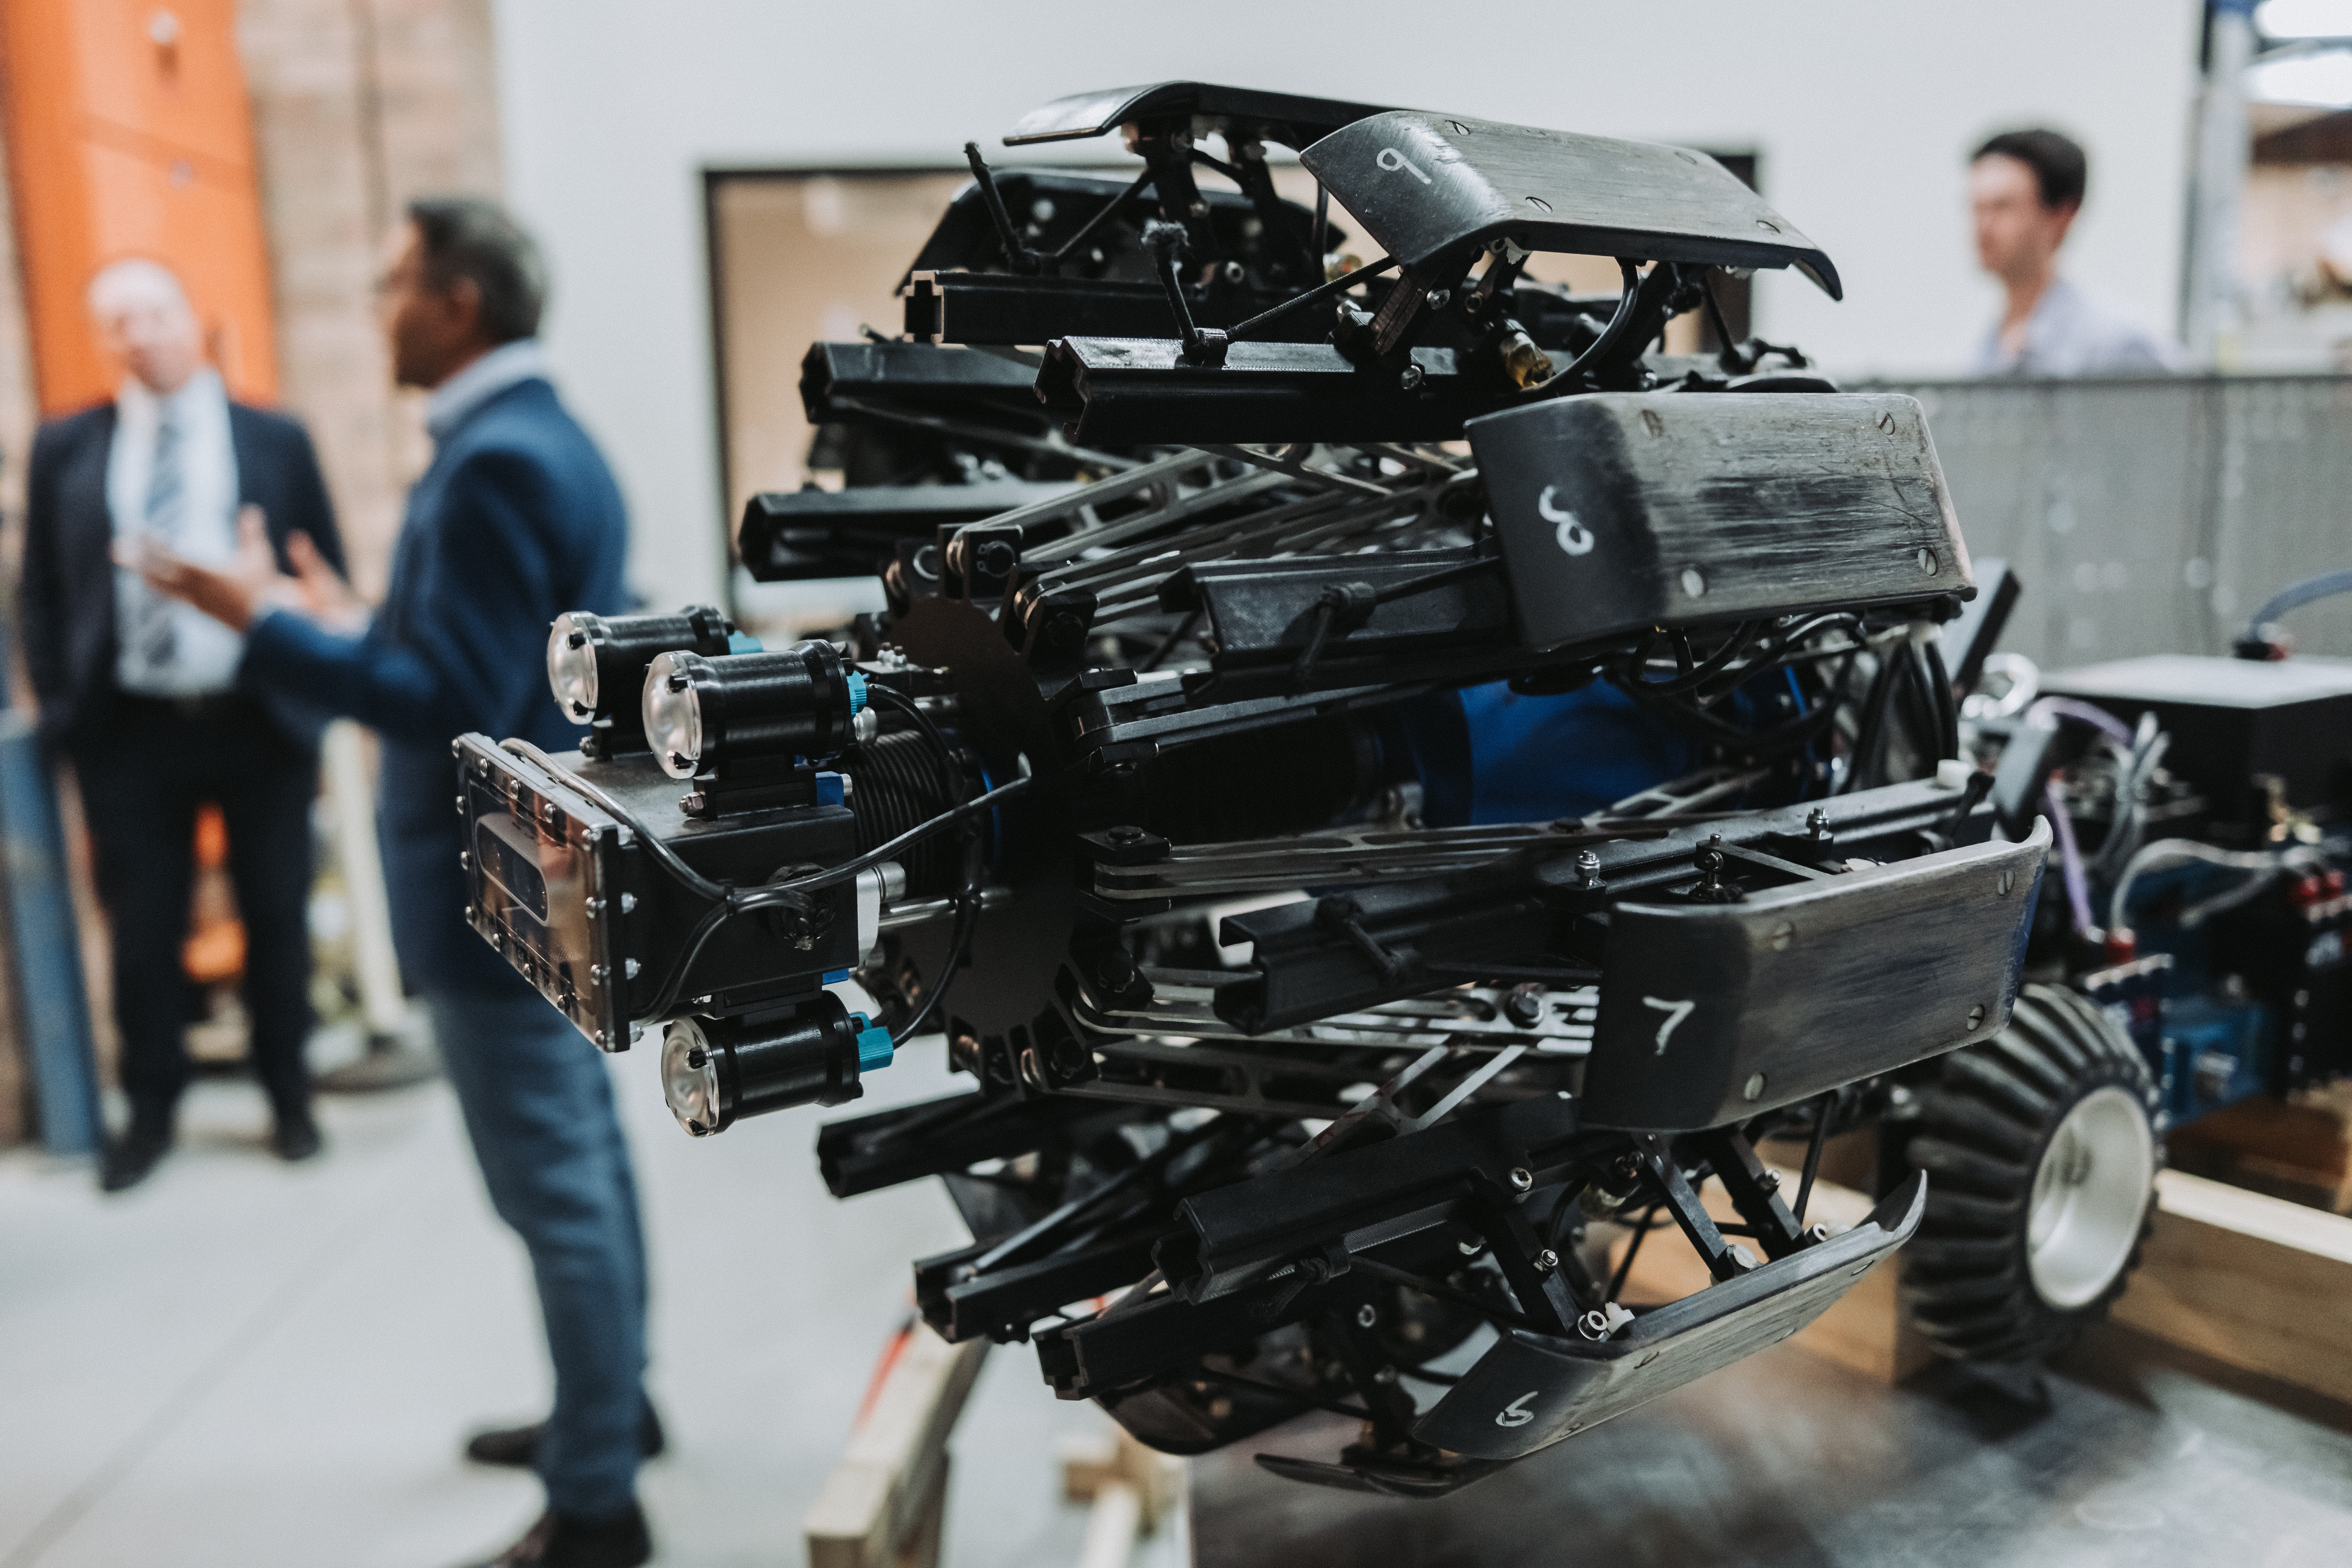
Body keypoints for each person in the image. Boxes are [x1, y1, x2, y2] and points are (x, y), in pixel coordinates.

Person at [135, 198, 656, 1568]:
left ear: (458, 301)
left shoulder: (494, 460)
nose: (378, 311)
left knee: (553, 1189)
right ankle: (614, 1410)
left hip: (501, 884)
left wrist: (266, 626)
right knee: (584, 1166)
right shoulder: (544, 434)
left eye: (392, 285)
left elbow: (446, 703)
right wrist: (345, 620)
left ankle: (598, 1503)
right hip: (548, 870)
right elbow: (485, 656)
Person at [16, 258, 345, 1192]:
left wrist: (320, 686)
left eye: (155, 313)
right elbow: (40, 590)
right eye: (119, 323)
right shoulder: (66, 446)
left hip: (257, 715)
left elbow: (321, 567)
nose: (141, 335)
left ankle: (290, 1096)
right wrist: (64, 710)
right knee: (143, 928)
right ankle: (152, 1109)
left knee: (275, 912)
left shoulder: (274, 436)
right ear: (103, 340)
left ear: (188, 319)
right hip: (130, 727)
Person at [1969, 128, 2178, 376]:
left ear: (2062, 216)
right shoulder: (1987, 351)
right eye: (1977, 208)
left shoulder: (2116, 348)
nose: (1983, 227)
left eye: (2003, 207)